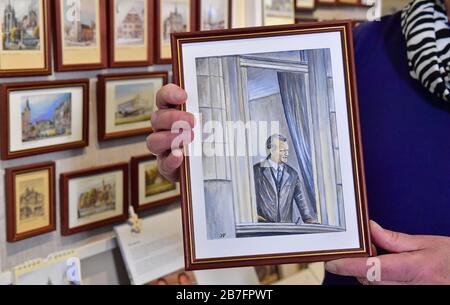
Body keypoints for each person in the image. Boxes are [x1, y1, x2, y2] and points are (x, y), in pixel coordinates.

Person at [147, 0, 450, 285]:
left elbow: (306, 209)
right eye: (281, 147)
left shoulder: (292, 174)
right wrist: (195, 169)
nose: (286, 150)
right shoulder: (363, 45)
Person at [254, 134, 317, 224]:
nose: (286, 154)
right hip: (263, 228)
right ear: (271, 150)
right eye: (283, 151)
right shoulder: (257, 171)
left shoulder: (293, 174)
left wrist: (308, 219)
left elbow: (300, 199)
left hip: (285, 228)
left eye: (287, 151)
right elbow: (248, 198)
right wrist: (254, 216)